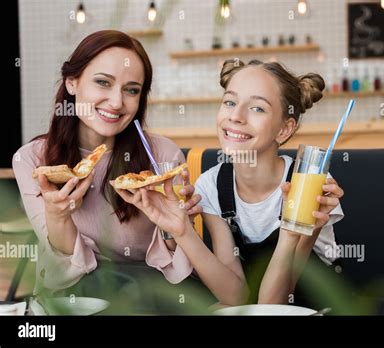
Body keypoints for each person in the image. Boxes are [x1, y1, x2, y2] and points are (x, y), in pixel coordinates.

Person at [115, 59, 344, 306]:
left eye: (257, 108)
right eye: (230, 102)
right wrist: (182, 231)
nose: (235, 116)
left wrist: (291, 234)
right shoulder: (213, 185)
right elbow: (237, 297)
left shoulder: (310, 186)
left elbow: (274, 304)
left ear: (284, 129)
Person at [12, 31, 203, 305]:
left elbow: (172, 262)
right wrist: (58, 216)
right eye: (103, 82)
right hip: (75, 296)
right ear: (72, 82)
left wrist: (174, 226)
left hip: (150, 296)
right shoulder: (32, 160)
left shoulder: (163, 155)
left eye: (132, 90)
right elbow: (68, 263)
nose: (116, 102)